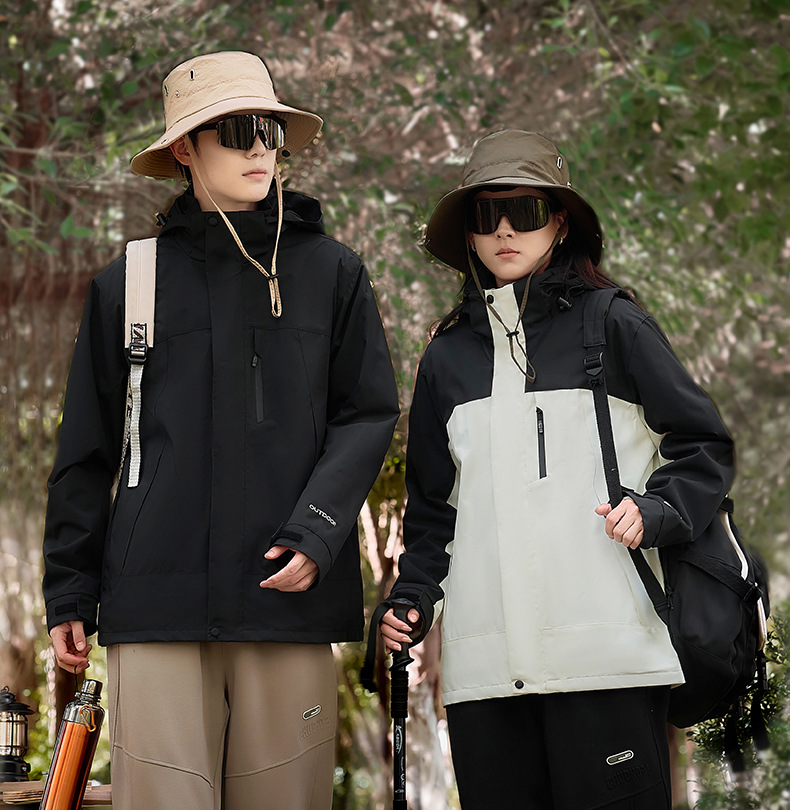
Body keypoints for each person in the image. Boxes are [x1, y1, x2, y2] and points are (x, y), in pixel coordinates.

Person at [42, 51, 399, 810]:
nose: (261, 149)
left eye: (271, 130)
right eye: (237, 132)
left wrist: (318, 531)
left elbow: (367, 413)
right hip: (156, 601)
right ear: (184, 149)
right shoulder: (128, 283)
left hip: (288, 597)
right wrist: (69, 590)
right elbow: (87, 451)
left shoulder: (333, 273)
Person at [377, 130, 734, 809]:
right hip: (485, 679)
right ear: (469, 231)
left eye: (526, 211)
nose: (505, 230)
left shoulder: (614, 323)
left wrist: (656, 510)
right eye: (487, 214)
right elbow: (431, 513)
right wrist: (411, 598)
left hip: (609, 662)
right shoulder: (446, 356)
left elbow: (702, 443)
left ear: (561, 222)